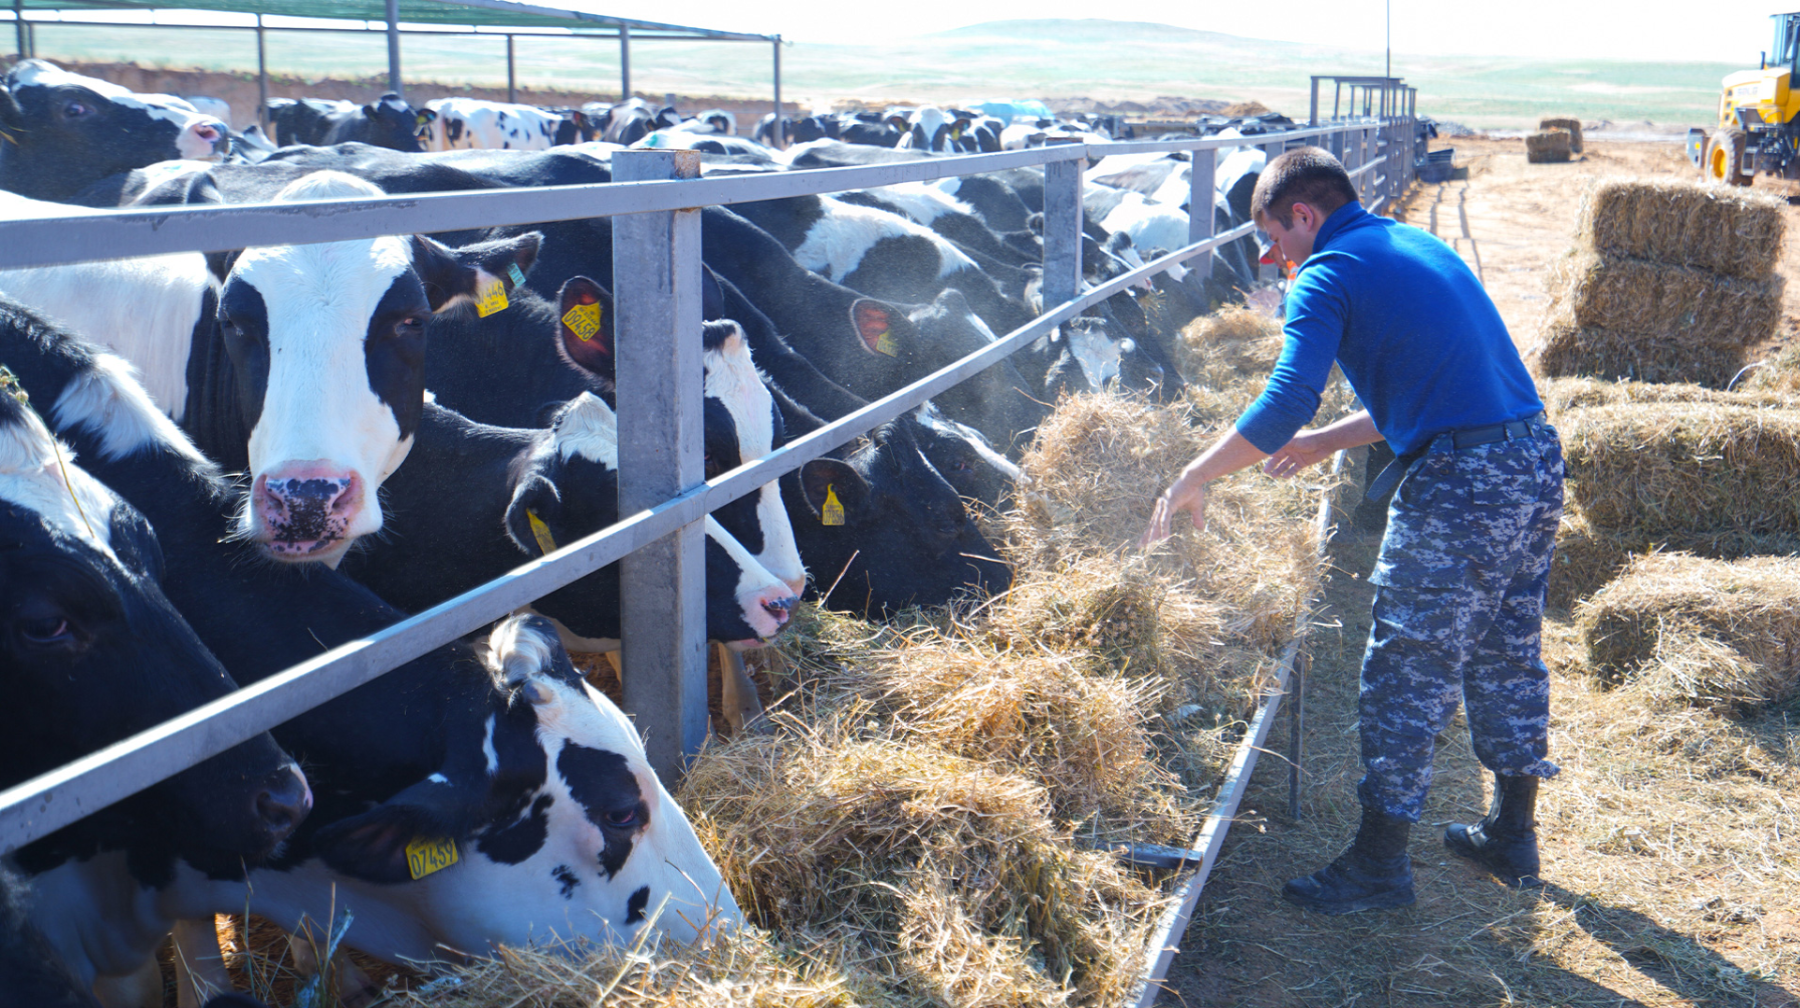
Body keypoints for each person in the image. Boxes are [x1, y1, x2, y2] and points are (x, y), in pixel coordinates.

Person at [1140, 147, 1563, 915]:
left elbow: (1282, 402)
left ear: (1302, 215)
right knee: (1507, 648)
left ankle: (1376, 869)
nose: (1270, 258)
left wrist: (1192, 475)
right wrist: (1325, 443)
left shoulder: (1328, 273)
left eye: (1271, 237)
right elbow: (1435, 392)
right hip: (1527, 462)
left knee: (1406, 669)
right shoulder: (1413, 246)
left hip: (1461, 486)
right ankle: (1513, 832)